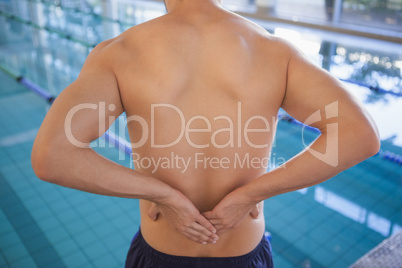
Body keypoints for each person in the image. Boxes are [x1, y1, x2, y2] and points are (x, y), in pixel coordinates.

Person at [31, 0, 380, 267]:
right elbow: (359, 134)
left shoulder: (120, 54)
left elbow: (53, 156)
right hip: (245, 252)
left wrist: (164, 196)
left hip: (160, 253)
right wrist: (251, 194)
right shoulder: (274, 51)